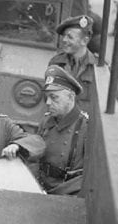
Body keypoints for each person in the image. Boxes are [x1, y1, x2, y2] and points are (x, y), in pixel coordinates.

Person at [35, 65, 89, 196]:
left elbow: (91, 174)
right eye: (47, 97)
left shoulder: (85, 127)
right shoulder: (47, 121)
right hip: (41, 186)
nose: (48, 102)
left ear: (70, 97)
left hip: (68, 192)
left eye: (54, 97)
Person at [48, 15, 97, 118]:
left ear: (84, 41)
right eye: (64, 36)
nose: (64, 40)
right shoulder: (56, 63)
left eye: (70, 37)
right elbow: (48, 98)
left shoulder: (98, 68)